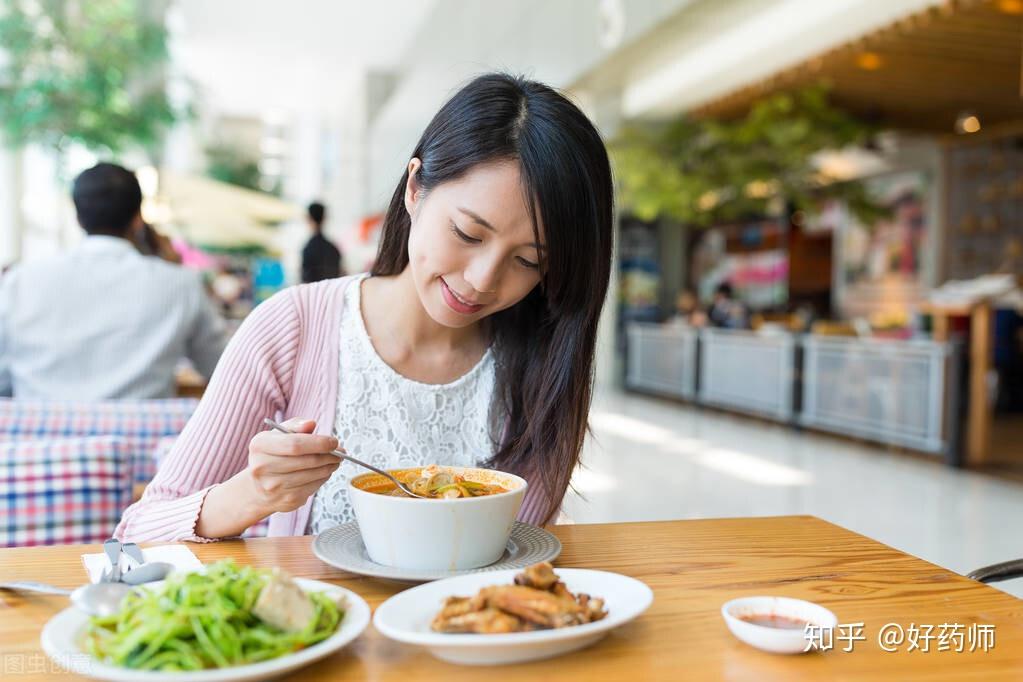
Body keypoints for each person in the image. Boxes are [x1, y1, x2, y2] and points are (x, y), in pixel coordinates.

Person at [115, 73, 614, 541]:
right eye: (467, 233)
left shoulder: (545, 361)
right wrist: (255, 492)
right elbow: (139, 532)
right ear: (415, 189)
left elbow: (519, 552)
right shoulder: (293, 327)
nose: (483, 279)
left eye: (527, 261)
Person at [0, 162, 227, 400]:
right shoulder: (181, 285)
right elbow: (221, 367)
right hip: (147, 436)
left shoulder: (20, 281)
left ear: (78, 217)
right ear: (138, 219)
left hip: (36, 435)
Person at [300, 201, 342, 283]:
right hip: (333, 294)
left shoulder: (308, 249)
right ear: (324, 218)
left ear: (308, 219)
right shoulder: (333, 249)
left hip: (313, 295)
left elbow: (306, 281)